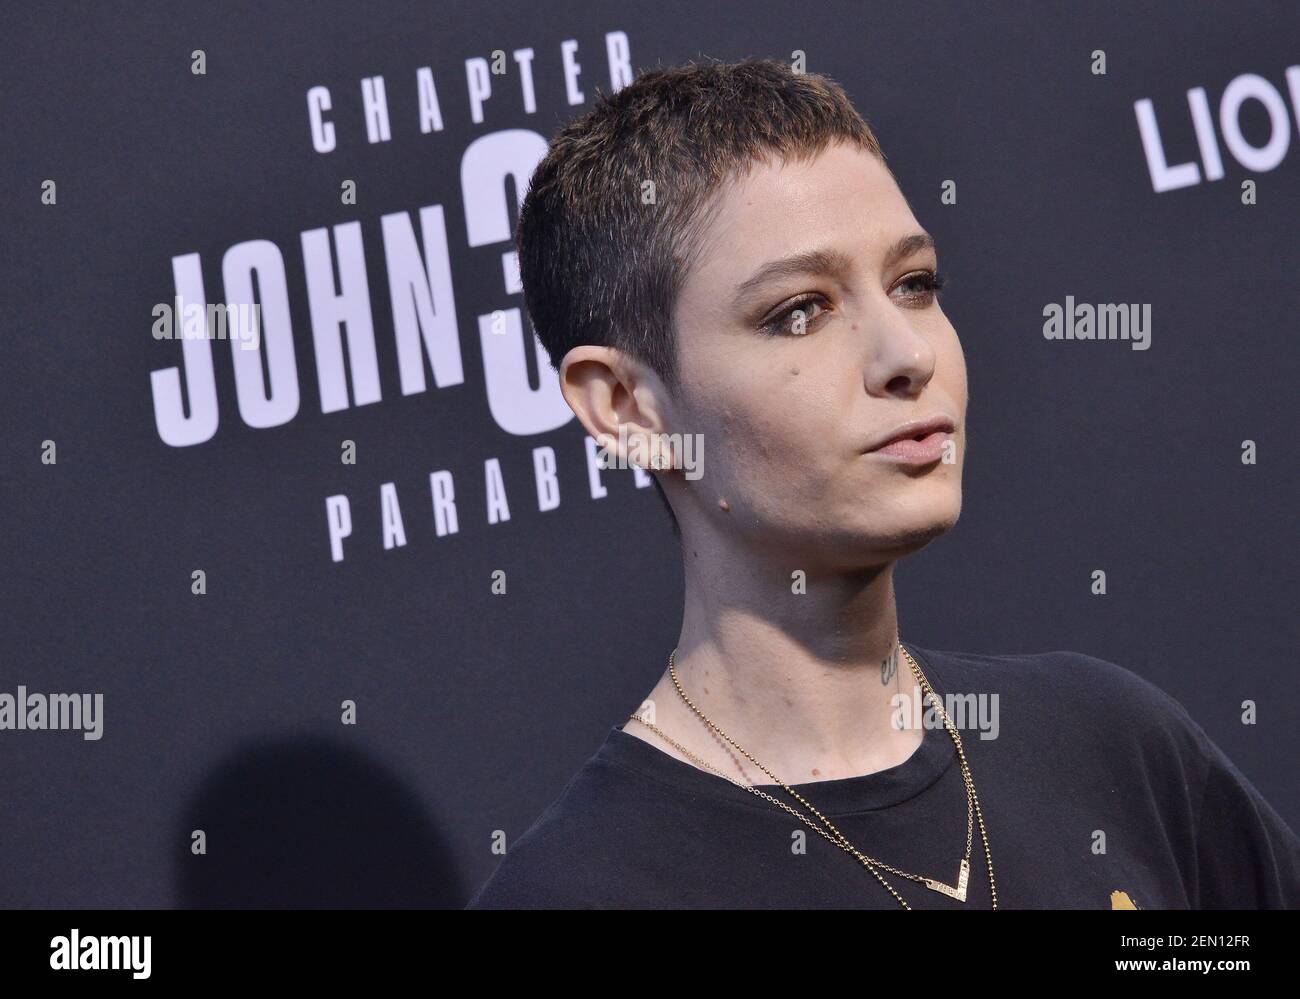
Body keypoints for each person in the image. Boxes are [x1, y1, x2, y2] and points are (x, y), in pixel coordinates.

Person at [466, 57, 1300, 909]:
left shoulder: (1111, 746)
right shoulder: (577, 892)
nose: (909, 354)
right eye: (800, 310)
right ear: (626, 408)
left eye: (915, 284)